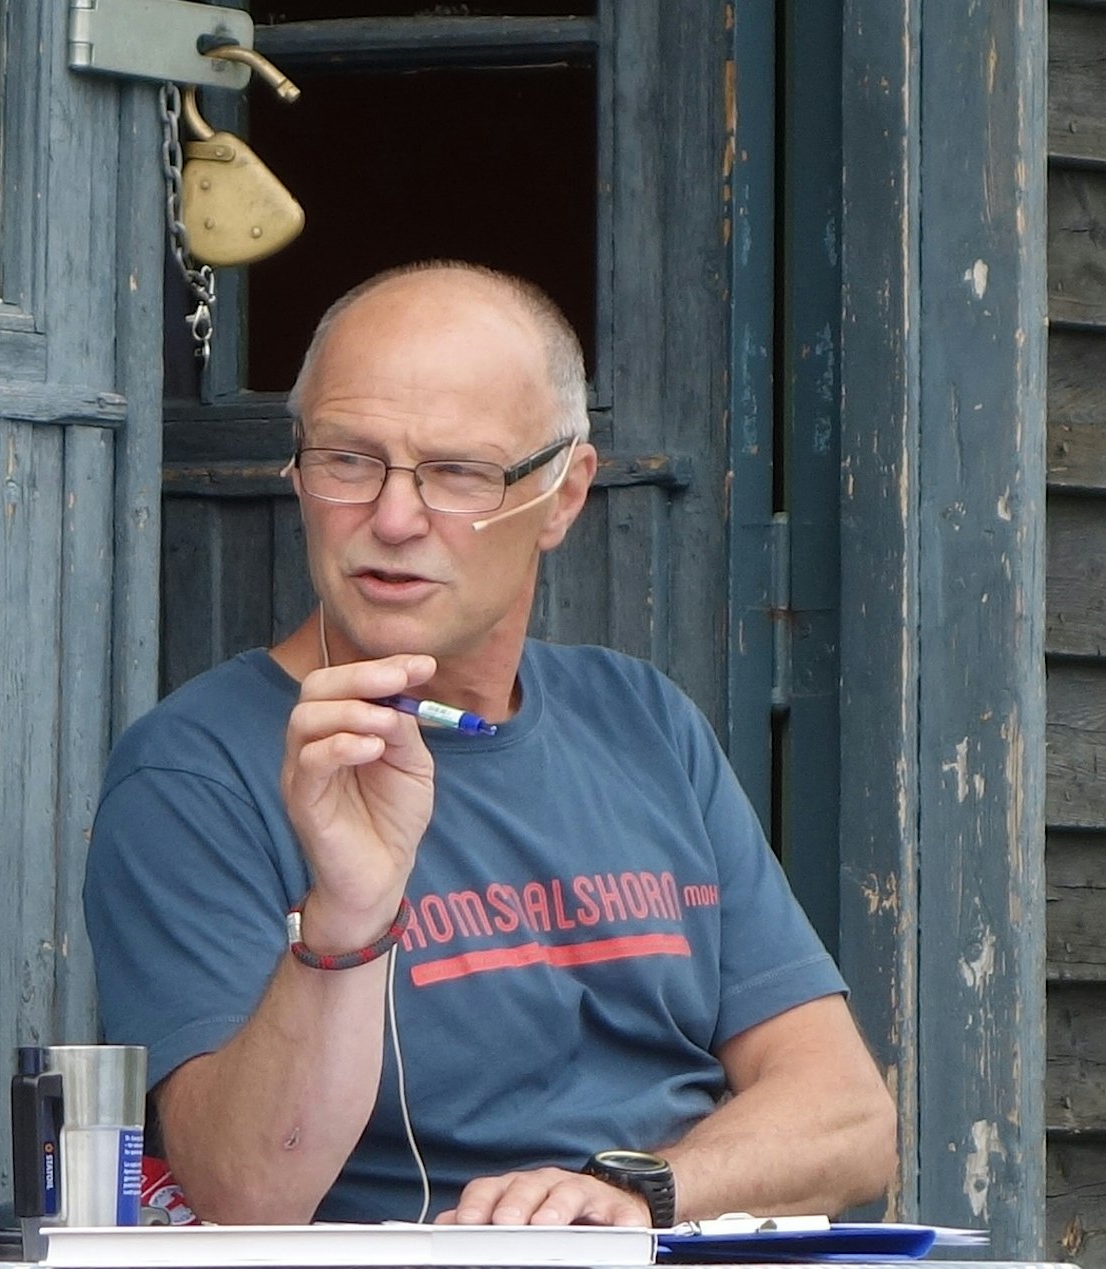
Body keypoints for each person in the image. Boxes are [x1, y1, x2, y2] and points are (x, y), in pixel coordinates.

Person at [83, 260, 896, 1228]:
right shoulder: (198, 767)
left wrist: (635, 1194)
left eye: (458, 472)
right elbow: (247, 1194)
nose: (393, 519)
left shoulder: (641, 718)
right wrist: (348, 918)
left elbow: (849, 1121)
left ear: (564, 494)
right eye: (347, 459)